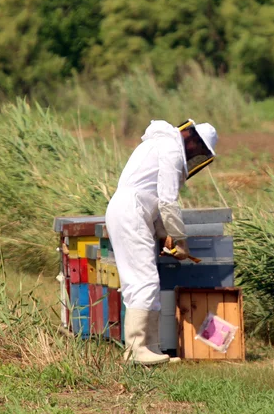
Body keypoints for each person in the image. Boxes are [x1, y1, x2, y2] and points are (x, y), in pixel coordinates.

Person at [105, 119, 218, 365]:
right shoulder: (170, 148)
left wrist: (163, 235)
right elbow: (167, 201)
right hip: (130, 213)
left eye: (200, 154)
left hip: (131, 211)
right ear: (190, 137)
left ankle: (152, 348)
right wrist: (180, 240)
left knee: (148, 282)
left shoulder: (158, 146)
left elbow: (153, 202)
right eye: (197, 149)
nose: (194, 154)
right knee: (143, 280)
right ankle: (136, 349)